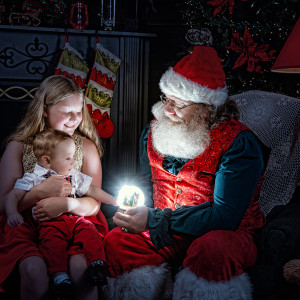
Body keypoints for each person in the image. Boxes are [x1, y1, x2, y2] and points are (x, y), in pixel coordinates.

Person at [102, 46, 267, 300]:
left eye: (178, 105)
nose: (167, 110)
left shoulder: (239, 143)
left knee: (213, 249)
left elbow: (224, 217)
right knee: (117, 241)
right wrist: (132, 208)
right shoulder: (153, 131)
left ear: (205, 108)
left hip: (223, 233)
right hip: (164, 228)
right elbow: (148, 184)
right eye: (166, 100)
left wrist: (153, 220)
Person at [0, 75, 108, 300]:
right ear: (45, 110)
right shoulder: (19, 146)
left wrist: (66, 203)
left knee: (81, 268)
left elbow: (94, 203)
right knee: (34, 270)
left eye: (78, 111)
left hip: (74, 220)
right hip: (26, 223)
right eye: (66, 111)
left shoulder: (85, 148)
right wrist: (40, 193)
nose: (74, 118)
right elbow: (4, 203)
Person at [5, 129, 117, 298]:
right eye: (68, 158)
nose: (73, 161)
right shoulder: (33, 178)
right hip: (50, 223)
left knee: (89, 231)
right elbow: (13, 195)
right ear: (47, 161)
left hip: (74, 218)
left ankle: (98, 264)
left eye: (73, 156)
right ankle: (60, 277)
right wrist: (12, 212)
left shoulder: (72, 175)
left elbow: (92, 189)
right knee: (52, 244)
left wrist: (114, 200)